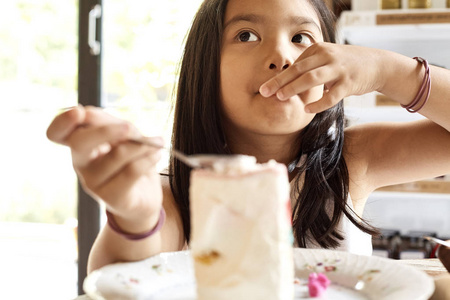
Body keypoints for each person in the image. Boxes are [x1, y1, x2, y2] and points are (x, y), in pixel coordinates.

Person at [47, 0, 450, 273]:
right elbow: (123, 273)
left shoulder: (353, 159)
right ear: (204, 67)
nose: (281, 56)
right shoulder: (172, 193)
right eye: (245, 35)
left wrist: (390, 72)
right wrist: (133, 214)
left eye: (301, 38)